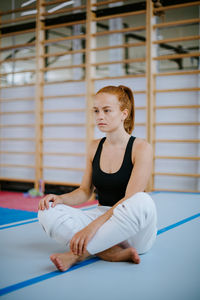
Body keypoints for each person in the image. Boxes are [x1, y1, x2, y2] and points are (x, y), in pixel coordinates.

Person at [38, 85, 157, 272]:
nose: (100, 116)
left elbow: (129, 199)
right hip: (101, 218)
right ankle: (109, 251)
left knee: (142, 200)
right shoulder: (94, 147)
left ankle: (79, 254)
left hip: (133, 231)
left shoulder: (142, 148)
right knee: (46, 211)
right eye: (96, 111)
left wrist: (92, 227)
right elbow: (85, 192)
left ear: (124, 114)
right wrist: (60, 199)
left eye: (107, 110)